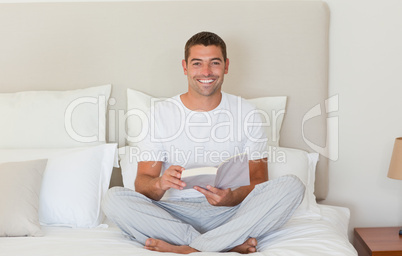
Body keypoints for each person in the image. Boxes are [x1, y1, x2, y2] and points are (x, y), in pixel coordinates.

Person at [102, 31, 305, 254]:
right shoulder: (160, 114)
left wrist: (231, 197)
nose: (206, 72)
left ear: (226, 66)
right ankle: (221, 245)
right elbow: (142, 184)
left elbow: (259, 179)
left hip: (229, 214)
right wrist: (160, 183)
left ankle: (184, 248)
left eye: (214, 63)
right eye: (197, 63)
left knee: (292, 186)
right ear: (185, 67)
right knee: (114, 199)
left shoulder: (247, 112)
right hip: (173, 213)